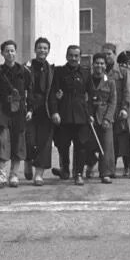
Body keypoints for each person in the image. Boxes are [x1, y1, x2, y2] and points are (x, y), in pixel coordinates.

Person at [0, 40, 33, 189]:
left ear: (16, 52)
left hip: (19, 111)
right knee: (2, 141)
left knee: (18, 143)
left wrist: (30, 109)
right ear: (2, 53)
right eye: (7, 51)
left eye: (12, 50)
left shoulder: (24, 71)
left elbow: (30, 92)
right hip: (2, 111)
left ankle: (14, 175)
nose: (10, 53)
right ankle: (1, 176)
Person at [49, 45, 90, 186]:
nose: (73, 58)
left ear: (80, 57)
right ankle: (65, 170)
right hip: (64, 114)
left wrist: (90, 114)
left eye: (76, 56)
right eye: (71, 55)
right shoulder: (59, 72)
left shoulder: (86, 73)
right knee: (62, 144)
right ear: (66, 56)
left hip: (81, 116)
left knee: (81, 146)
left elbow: (91, 94)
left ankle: (78, 174)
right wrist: (54, 112)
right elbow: (53, 94)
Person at [24, 37, 55, 186]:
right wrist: (28, 108)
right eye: (40, 48)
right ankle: (28, 161)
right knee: (29, 140)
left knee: (45, 142)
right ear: (35, 49)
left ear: (48, 51)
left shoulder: (52, 69)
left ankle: (39, 174)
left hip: (46, 110)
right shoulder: (25, 68)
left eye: (45, 48)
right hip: (29, 109)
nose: (42, 50)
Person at [86, 52, 117, 184]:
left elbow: (113, 102)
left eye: (102, 63)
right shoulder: (87, 80)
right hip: (90, 118)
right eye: (97, 63)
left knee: (106, 146)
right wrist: (88, 115)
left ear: (105, 65)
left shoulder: (110, 82)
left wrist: (107, 118)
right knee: (87, 145)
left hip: (105, 118)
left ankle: (105, 173)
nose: (99, 66)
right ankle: (90, 163)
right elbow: (84, 99)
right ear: (93, 64)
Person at [102, 42, 124, 178]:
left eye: (109, 54)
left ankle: (113, 168)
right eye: (104, 54)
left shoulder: (121, 72)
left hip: (118, 111)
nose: (106, 56)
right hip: (103, 111)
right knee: (106, 142)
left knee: (116, 141)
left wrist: (124, 108)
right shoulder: (99, 70)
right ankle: (106, 168)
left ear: (115, 54)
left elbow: (126, 92)